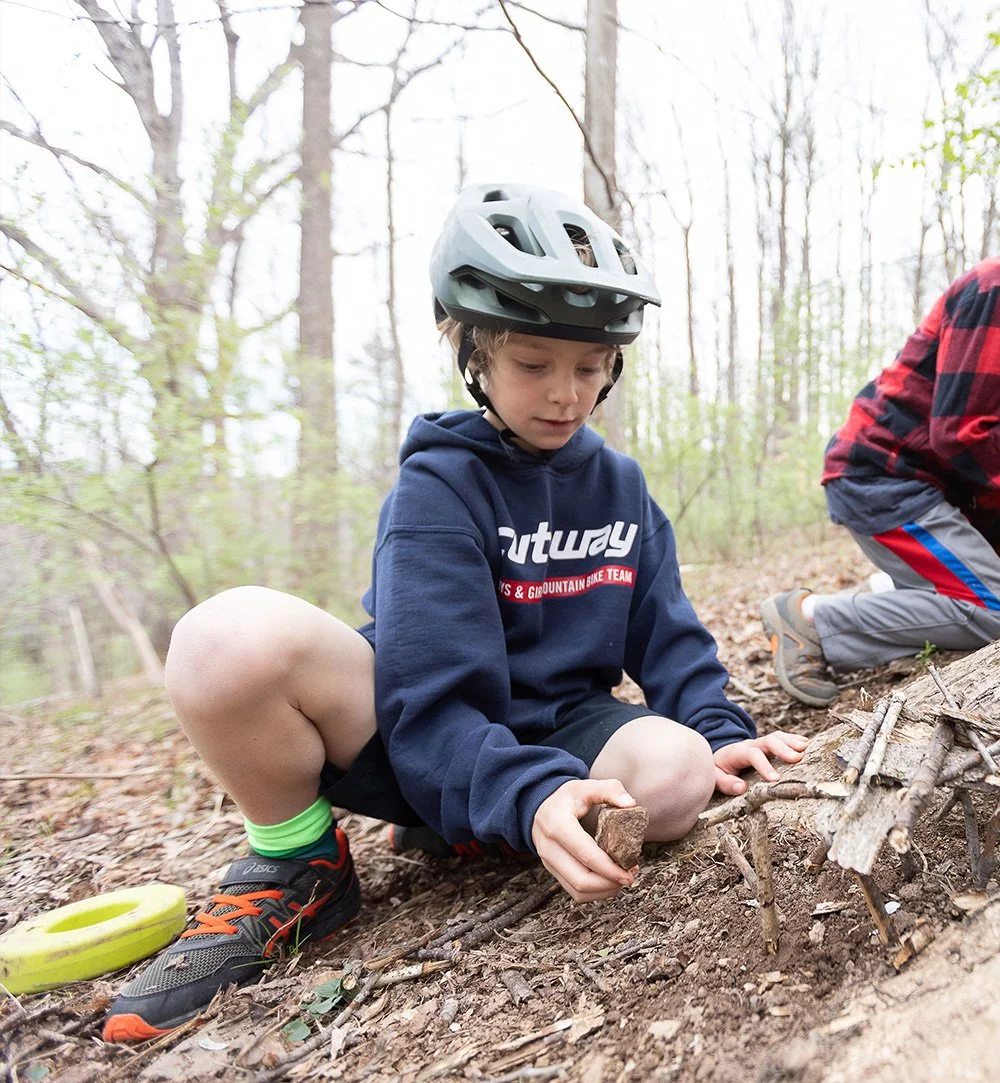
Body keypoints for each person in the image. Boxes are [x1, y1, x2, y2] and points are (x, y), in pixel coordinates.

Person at [103, 183, 807, 1042]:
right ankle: (299, 867)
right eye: (534, 364)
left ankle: (476, 822)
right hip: (421, 729)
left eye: (589, 367)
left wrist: (715, 722)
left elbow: (669, 635)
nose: (565, 394)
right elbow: (426, 699)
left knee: (678, 770)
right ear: (472, 351)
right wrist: (530, 791)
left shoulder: (618, 487)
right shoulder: (438, 485)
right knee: (222, 637)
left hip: (561, 726)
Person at [762, 257, 1000, 708]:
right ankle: (809, 619)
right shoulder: (995, 287)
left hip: (936, 487)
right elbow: (962, 432)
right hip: (886, 476)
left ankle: (888, 591)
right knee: (994, 609)